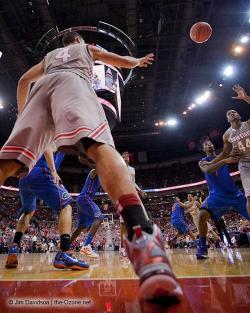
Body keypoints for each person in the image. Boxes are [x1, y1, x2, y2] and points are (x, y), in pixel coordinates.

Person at [0, 32, 182, 302]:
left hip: (40, 91)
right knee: (98, 146)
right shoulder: (86, 48)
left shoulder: (50, 57)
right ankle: (144, 240)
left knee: (9, 163)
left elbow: (24, 80)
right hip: (73, 84)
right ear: (79, 41)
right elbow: (117, 60)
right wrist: (136, 61)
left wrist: (26, 112)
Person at [5, 147, 89, 270]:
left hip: (25, 176)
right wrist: (53, 170)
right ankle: (64, 253)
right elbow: (47, 144)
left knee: (29, 211)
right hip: (42, 172)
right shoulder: (58, 130)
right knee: (66, 206)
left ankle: (14, 247)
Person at [197, 139, 249, 259]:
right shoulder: (202, 162)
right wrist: (225, 161)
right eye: (206, 144)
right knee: (202, 215)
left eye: (210, 143)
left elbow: (231, 151)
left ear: (214, 145)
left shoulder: (224, 154)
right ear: (203, 149)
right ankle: (202, 248)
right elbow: (207, 170)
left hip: (235, 194)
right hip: (216, 195)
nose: (209, 145)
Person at [204, 84, 250, 217]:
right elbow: (224, 153)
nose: (231, 113)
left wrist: (245, 97)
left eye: (234, 111)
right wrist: (211, 163)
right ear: (228, 120)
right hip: (245, 165)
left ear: (239, 116)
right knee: (249, 197)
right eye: (229, 113)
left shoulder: (248, 124)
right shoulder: (227, 135)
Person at [119, 151, 147, 258]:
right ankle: (122, 249)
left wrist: (140, 190)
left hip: (133, 194)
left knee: (141, 218)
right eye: (124, 155)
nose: (126, 157)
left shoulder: (132, 169)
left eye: (127, 156)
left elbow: (133, 182)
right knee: (123, 224)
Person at [70, 169, 103, 258]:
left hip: (81, 200)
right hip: (85, 197)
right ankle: (86, 246)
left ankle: (65, 247)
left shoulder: (101, 176)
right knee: (99, 218)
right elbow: (94, 170)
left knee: (81, 227)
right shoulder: (94, 172)